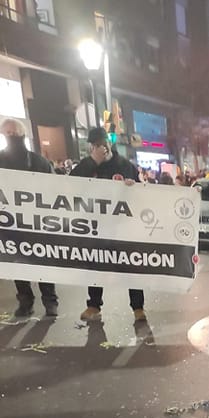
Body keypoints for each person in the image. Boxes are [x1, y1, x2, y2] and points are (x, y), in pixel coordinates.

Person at [70, 127, 145, 323]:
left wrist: (133, 186)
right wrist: (92, 162)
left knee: (130, 266)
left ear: (109, 144)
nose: (100, 148)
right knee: (95, 265)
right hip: (96, 226)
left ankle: (138, 307)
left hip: (121, 226)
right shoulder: (87, 165)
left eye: (103, 144)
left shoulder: (124, 165)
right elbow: (71, 184)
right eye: (96, 145)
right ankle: (94, 305)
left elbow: (141, 192)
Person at [0, 117, 59, 319]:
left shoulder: (39, 162)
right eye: (8, 134)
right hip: (10, 224)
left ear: (23, 135)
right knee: (18, 264)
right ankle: (25, 302)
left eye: (15, 133)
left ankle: (50, 301)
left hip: (37, 224)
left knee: (42, 263)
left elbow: (55, 189)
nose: (12, 137)